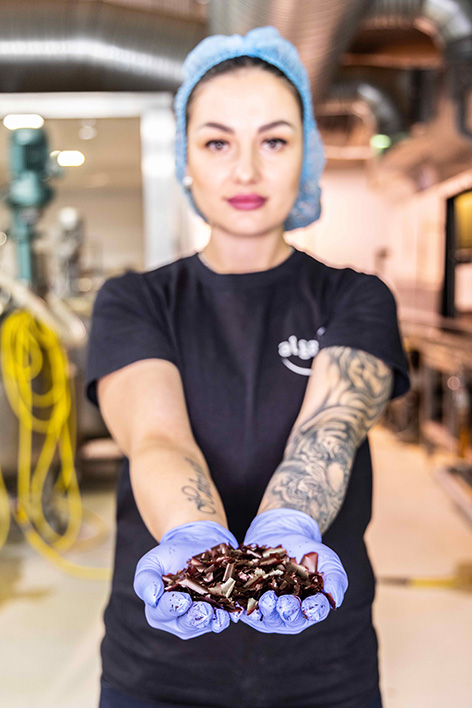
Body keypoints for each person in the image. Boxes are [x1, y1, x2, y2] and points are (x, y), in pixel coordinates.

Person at [85, 26, 411, 708]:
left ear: (306, 154)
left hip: (323, 668)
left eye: (274, 141)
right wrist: (197, 542)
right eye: (217, 143)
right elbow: (158, 439)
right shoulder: (134, 300)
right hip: (159, 670)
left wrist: (282, 541)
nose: (245, 172)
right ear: (186, 158)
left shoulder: (355, 297)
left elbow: (327, 432)